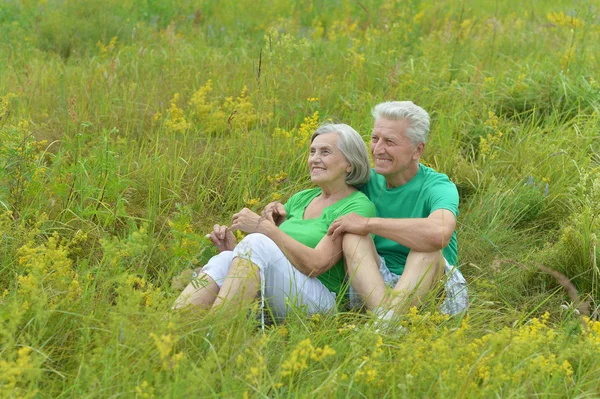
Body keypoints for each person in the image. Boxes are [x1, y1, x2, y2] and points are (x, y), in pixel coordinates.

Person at [265, 101, 468, 319]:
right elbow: (326, 197)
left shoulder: (437, 186)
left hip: (429, 285)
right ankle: (386, 319)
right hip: (372, 282)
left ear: (417, 150)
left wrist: (368, 224)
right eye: (374, 139)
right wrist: (281, 211)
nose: (378, 149)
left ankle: (385, 321)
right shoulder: (364, 179)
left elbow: (440, 232)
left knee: (426, 248)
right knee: (352, 235)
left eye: (390, 141)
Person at [173, 123, 375, 320]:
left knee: (256, 242)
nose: (314, 159)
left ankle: (216, 333)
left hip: (320, 298)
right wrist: (235, 253)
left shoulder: (356, 205)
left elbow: (317, 264)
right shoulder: (302, 198)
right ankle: (172, 326)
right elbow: (273, 254)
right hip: (281, 288)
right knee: (224, 259)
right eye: (312, 152)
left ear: (349, 163)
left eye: (325, 152)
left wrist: (263, 227)